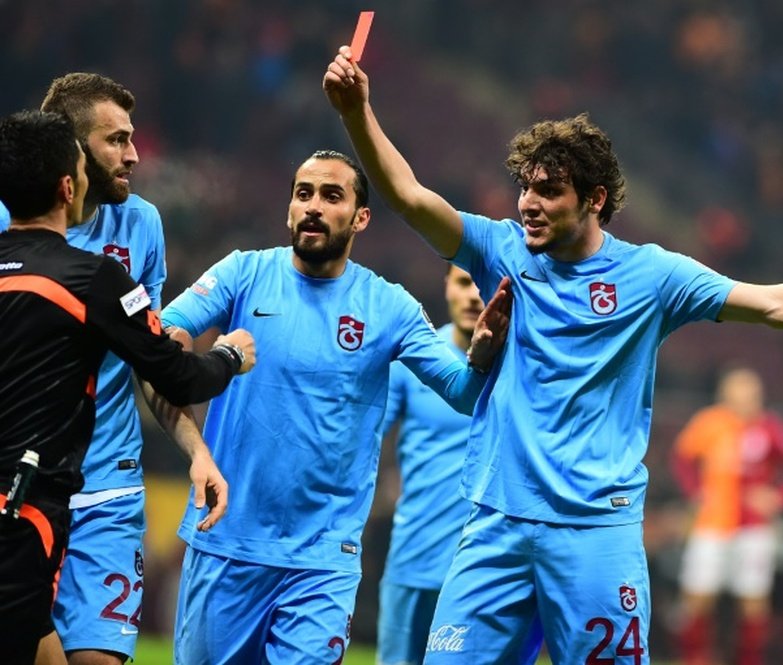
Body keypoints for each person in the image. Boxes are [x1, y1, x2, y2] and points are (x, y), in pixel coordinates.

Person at [322, 46, 783, 663]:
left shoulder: (652, 277)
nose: (528, 204)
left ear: (594, 198)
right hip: (497, 524)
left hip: (595, 535)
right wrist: (356, 113)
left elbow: (771, 303)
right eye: (525, 188)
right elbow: (408, 197)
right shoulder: (501, 249)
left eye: (548, 191)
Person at [160, 149, 511, 664]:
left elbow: (462, 394)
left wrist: (480, 357)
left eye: (332, 195)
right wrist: (201, 428)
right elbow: (161, 343)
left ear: (361, 217)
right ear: (288, 209)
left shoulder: (389, 307)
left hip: (323, 561)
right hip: (226, 541)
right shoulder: (243, 274)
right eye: (304, 194)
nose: (314, 207)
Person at [0, 110, 254, 665]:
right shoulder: (95, 278)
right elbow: (171, 366)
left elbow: (151, 362)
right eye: (116, 140)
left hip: (98, 494)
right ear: (71, 176)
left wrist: (197, 450)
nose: (134, 155)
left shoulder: (140, 226)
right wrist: (231, 355)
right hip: (31, 501)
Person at [378, 264, 542, 665]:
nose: (473, 296)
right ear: (446, 287)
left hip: (497, 567)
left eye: (483, 285)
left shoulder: (531, 369)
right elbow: (362, 438)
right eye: (463, 282)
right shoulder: (415, 360)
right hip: (415, 559)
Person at [670, 366, 783, 665]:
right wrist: (695, 492)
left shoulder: (771, 427)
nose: (744, 402)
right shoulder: (709, 423)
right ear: (724, 396)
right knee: (696, 599)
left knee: (753, 604)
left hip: (753, 528)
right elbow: (681, 458)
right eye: (737, 395)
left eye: (750, 395)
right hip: (712, 523)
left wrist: (779, 497)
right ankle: (694, 659)